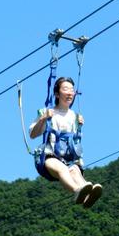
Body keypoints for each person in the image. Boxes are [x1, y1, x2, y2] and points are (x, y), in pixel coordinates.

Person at [29, 77, 103, 208]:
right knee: (63, 169)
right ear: (57, 94)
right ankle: (77, 191)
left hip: (68, 159)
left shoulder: (75, 116)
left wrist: (79, 126)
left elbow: (75, 141)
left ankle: (87, 195)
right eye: (65, 89)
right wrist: (43, 119)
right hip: (48, 158)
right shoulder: (47, 112)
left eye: (72, 90)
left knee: (75, 170)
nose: (70, 93)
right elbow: (32, 134)